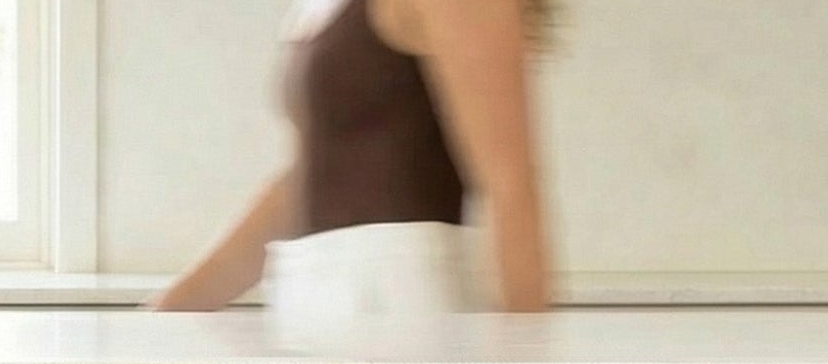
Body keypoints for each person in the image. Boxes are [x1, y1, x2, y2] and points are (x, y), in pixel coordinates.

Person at [152, 0, 549, 321]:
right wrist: (167, 314)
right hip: (320, 306)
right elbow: (308, 181)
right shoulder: (324, 10)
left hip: (405, 314)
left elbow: (509, 183)